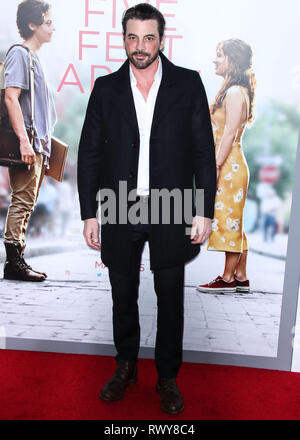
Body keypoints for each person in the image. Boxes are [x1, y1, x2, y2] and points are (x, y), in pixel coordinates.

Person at [77, 3, 216, 415]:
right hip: (120, 205)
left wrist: (203, 209)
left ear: (161, 39)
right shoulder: (106, 88)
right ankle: (125, 367)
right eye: (133, 37)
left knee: (170, 296)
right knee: (123, 294)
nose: (140, 46)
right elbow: (88, 156)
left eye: (149, 37)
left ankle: (168, 377)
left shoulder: (188, 84)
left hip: (171, 207)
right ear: (124, 38)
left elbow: (203, 153)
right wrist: (90, 213)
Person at [197, 38, 256, 294]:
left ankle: (228, 278)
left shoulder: (233, 93)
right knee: (234, 220)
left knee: (228, 220)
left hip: (230, 165)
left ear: (232, 60)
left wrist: (216, 166)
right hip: (232, 164)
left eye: (219, 55)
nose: (215, 59)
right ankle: (240, 275)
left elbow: (229, 133)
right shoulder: (235, 89)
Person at [3, 0, 56, 281]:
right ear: (32, 24)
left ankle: (18, 259)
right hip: (28, 144)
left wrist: (45, 150)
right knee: (21, 200)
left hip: (39, 147)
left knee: (28, 202)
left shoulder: (36, 59)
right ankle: (13, 262)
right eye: (48, 22)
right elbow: (11, 97)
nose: (53, 27)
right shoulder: (20, 54)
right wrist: (24, 142)